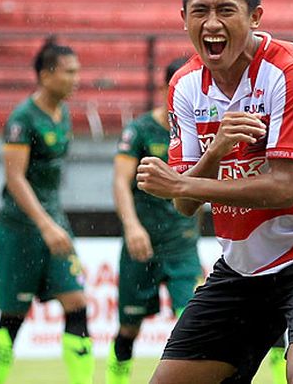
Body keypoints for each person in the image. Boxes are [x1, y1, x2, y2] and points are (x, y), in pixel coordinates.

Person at [136, 0, 293, 384]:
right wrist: (216, 151)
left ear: (255, 16)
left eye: (226, 10)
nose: (212, 24)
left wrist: (180, 183)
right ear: (183, 16)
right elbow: (187, 205)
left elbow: (282, 188)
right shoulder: (184, 86)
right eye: (200, 11)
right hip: (243, 266)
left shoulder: (290, 72)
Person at [0, 41, 93, 384]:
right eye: (70, 72)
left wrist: (53, 221)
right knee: (12, 318)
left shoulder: (64, 113)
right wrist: (44, 224)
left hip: (54, 224)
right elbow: (14, 178)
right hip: (21, 231)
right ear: (46, 75)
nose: (77, 79)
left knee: (77, 303)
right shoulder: (22, 119)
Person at [106, 58, 203, 384]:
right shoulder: (139, 131)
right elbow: (121, 182)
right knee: (128, 330)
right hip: (142, 244)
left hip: (181, 245)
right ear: (166, 89)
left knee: (193, 323)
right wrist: (132, 226)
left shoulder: (198, 128)